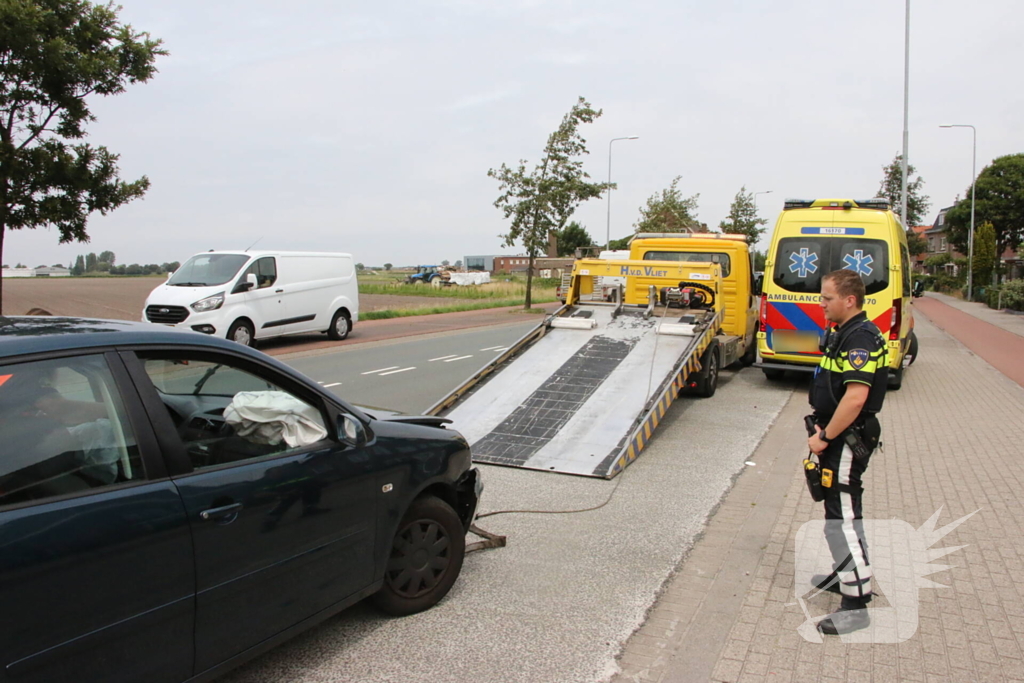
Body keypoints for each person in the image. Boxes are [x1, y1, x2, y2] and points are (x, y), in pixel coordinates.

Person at [806, 269, 889, 635]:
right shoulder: (845, 333)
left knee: (843, 518)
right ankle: (847, 573)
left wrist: (824, 437)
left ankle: (856, 606)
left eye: (827, 298)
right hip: (836, 435)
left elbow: (855, 399)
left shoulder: (862, 339)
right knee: (837, 515)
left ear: (849, 300)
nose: (821, 303)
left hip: (844, 438)